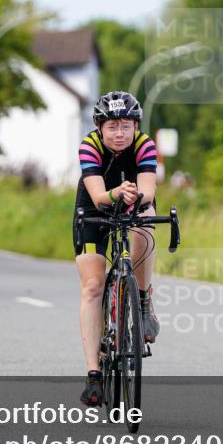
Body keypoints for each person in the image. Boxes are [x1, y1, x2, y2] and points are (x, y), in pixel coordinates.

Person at [74, 91, 161, 407]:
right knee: (93, 286)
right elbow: (98, 197)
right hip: (95, 206)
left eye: (126, 125)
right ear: (99, 128)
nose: (119, 133)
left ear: (136, 126)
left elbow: (148, 190)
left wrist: (135, 197)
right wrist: (116, 194)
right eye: (112, 126)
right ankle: (94, 375)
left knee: (146, 220)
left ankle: (142, 300)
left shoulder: (144, 145)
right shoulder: (89, 145)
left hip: (134, 200)